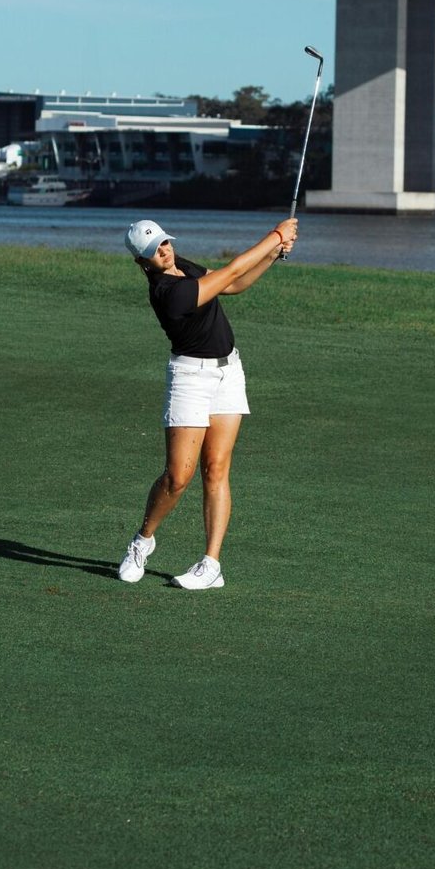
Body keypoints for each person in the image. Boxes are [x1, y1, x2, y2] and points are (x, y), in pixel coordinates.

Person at [116, 214, 299, 591]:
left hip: (228, 373)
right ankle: (143, 540)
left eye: (164, 242)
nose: (164, 252)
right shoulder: (167, 292)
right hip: (190, 379)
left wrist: (272, 255)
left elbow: (233, 284)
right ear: (141, 262)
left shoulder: (183, 266)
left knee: (216, 469)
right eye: (154, 250)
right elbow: (231, 269)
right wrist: (274, 235)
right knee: (178, 476)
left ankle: (211, 564)